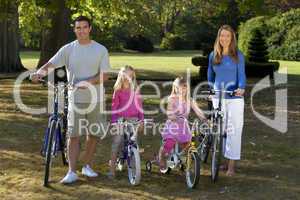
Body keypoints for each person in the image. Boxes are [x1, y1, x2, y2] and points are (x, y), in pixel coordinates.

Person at [31, 16, 111, 184]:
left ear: (90, 29)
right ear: (74, 29)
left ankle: (87, 165)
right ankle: (72, 171)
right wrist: (39, 73)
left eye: (84, 27)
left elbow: (105, 75)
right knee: (73, 135)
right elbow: (51, 64)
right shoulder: (68, 49)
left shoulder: (100, 49)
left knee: (93, 134)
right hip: (75, 99)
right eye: (78, 28)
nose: (81, 30)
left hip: (96, 99)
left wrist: (88, 82)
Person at [207, 24, 246, 176]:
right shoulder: (213, 55)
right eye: (222, 35)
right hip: (218, 97)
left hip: (235, 97)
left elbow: (242, 74)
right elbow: (210, 75)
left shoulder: (238, 55)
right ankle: (223, 160)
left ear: (232, 38)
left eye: (227, 36)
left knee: (234, 131)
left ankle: (231, 165)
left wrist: (241, 87)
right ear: (219, 37)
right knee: (221, 131)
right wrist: (211, 90)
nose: (224, 38)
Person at [159, 77, 207, 173]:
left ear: (187, 88)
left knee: (187, 147)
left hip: (183, 127)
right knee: (168, 145)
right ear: (175, 88)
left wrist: (204, 119)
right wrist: (172, 116)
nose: (181, 90)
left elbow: (198, 111)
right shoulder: (172, 99)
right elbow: (169, 112)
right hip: (173, 126)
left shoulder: (190, 100)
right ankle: (162, 158)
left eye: (184, 88)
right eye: (178, 88)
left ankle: (189, 167)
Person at [108, 65, 144, 179]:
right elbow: (114, 107)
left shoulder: (136, 89)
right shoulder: (118, 90)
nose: (128, 77)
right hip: (120, 119)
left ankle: (134, 168)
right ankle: (112, 170)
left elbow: (139, 106)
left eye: (130, 75)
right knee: (116, 142)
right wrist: (114, 121)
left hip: (133, 119)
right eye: (125, 75)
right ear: (121, 76)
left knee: (134, 142)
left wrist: (141, 119)